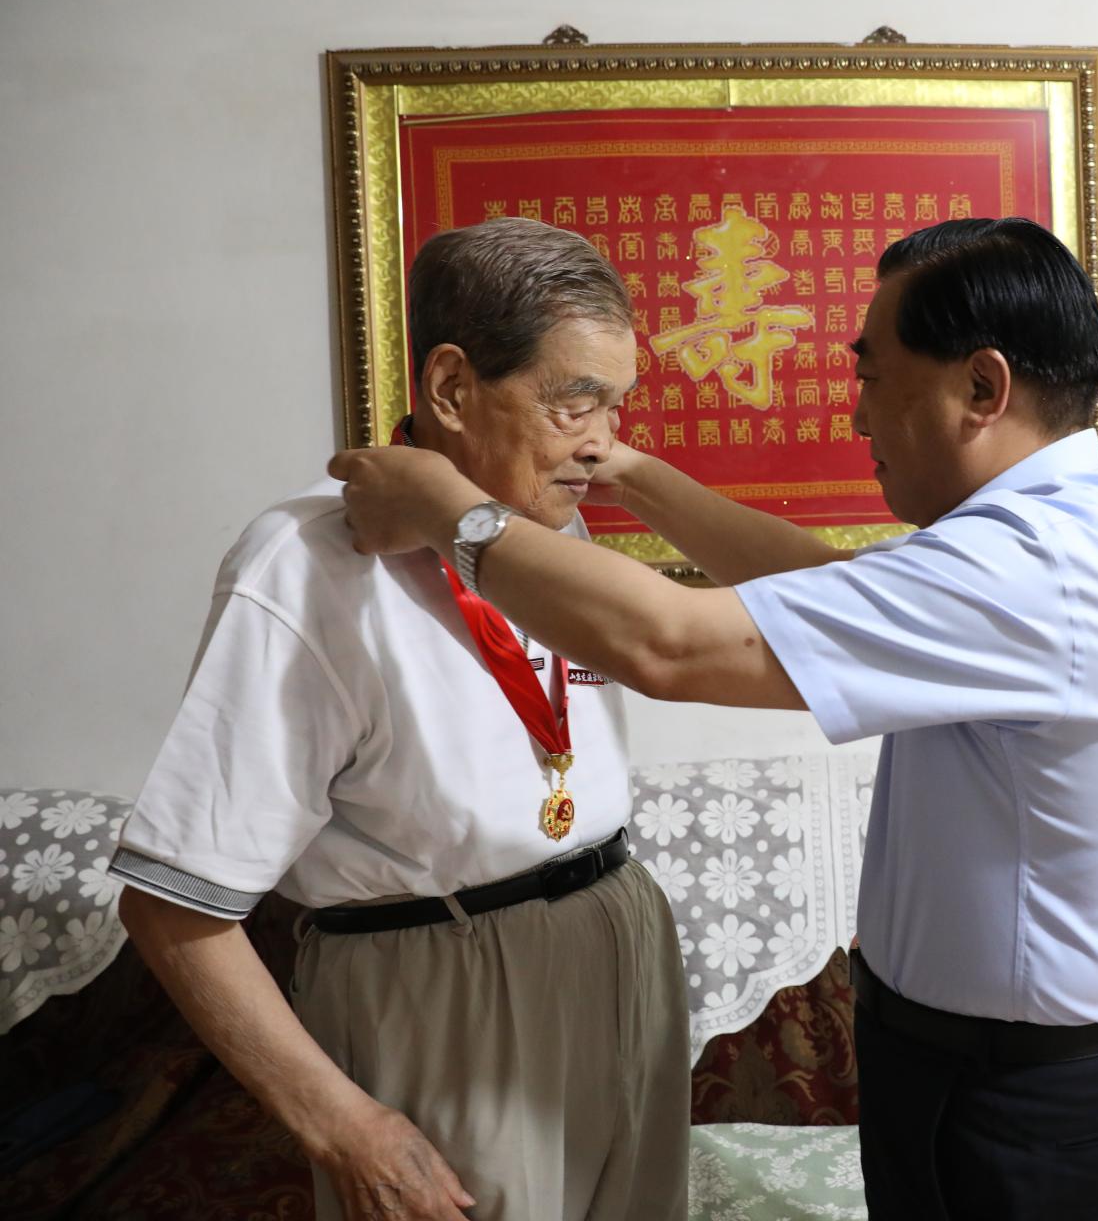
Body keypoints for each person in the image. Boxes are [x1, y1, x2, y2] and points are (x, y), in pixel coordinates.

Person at [331, 217, 1098, 1221]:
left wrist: (447, 510)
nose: (858, 415)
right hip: (994, 1066)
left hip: (1033, 1096)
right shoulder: (1082, 516)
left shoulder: (1032, 567)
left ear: (983, 388)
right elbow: (823, 587)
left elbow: (669, 644)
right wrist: (628, 470)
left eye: (874, 376)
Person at [112, 217, 688, 1221]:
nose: (603, 443)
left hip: (618, 942)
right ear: (452, 387)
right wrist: (341, 1123)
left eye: (616, 403)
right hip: (447, 987)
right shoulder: (304, 564)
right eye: (574, 402)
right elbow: (171, 907)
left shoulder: (542, 523)